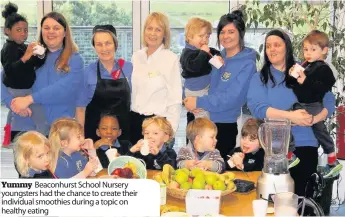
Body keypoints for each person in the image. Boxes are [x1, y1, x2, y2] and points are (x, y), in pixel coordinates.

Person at [247, 29, 335, 196]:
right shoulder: (260, 78)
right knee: (273, 202)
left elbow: (329, 99)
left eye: (277, 45)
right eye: (268, 46)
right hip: (276, 148)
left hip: (306, 144)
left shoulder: (305, 70)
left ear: (286, 47)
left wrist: (314, 118)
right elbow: (258, 108)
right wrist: (290, 117)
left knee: (301, 202)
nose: (272, 49)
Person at [184, 10, 257, 166]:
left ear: (240, 33)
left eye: (231, 31)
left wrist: (198, 102)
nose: (226, 36)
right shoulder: (215, 57)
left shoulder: (247, 64)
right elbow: (196, 80)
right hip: (198, 121)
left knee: (218, 176)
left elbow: (233, 99)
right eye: (222, 32)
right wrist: (187, 100)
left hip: (222, 127)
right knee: (193, 172)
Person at [1, 12, 84, 141]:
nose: (51, 32)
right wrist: (14, 105)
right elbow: (4, 77)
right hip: (25, 128)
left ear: (65, 32)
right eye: (46, 28)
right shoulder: (30, 54)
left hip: (60, 131)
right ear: (41, 31)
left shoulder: (75, 60)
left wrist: (29, 99)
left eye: (56, 28)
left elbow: (63, 89)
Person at [288, 30, 342, 177]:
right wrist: (293, 75)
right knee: (287, 119)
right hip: (302, 104)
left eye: (313, 49)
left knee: (320, 130)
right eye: (305, 49)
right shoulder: (306, 65)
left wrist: (305, 80)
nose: (308, 53)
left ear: (324, 50)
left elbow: (322, 88)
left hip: (314, 105)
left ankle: (332, 158)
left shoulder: (323, 68)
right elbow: (295, 87)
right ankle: (289, 154)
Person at [130, 12, 182, 145]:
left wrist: (169, 133)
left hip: (158, 126)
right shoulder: (136, 57)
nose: (152, 33)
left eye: (158, 29)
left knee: (156, 165)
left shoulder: (171, 59)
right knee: (134, 165)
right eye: (149, 28)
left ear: (164, 34)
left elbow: (175, 99)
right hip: (135, 122)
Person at [1, 2, 48, 146]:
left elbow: (36, 64)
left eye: (26, 30)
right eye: (19, 30)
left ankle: (8, 136)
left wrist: (40, 55)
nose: (23, 33)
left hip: (25, 89)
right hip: (17, 89)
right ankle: (44, 139)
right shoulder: (9, 48)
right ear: (7, 31)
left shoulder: (23, 47)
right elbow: (9, 71)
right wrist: (25, 57)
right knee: (35, 113)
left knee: (16, 113)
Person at [76, 25, 132, 142]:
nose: (104, 48)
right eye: (99, 44)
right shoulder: (87, 72)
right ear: (94, 47)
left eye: (108, 43)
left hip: (123, 134)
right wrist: (80, 137)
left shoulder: (127, 67)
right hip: (95, 134)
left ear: (115, 44)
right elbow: (80, 109)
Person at [180, 17, 222, 119]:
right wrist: (203, 52)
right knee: (201, 119)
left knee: (205, 116)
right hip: (194, 92)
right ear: (189, 37)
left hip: (205, 89)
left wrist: (218, 56)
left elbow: (213, 52)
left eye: (207, 37)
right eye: (201, 36)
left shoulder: (202, 49)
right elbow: (194, 67)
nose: (205, 40)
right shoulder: (187, 53)